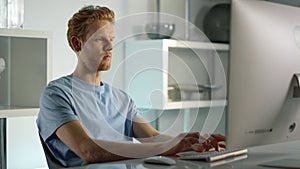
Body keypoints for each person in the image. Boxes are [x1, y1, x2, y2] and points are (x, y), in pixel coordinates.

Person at [37, 5, 226, 167]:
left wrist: (189, 142)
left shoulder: (121, 98)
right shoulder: (56, 94)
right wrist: (168, 147)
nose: (110, 47)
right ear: (77, 44)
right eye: (99, 39)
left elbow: (151, 136)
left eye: (111, 39)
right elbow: (88, 150)